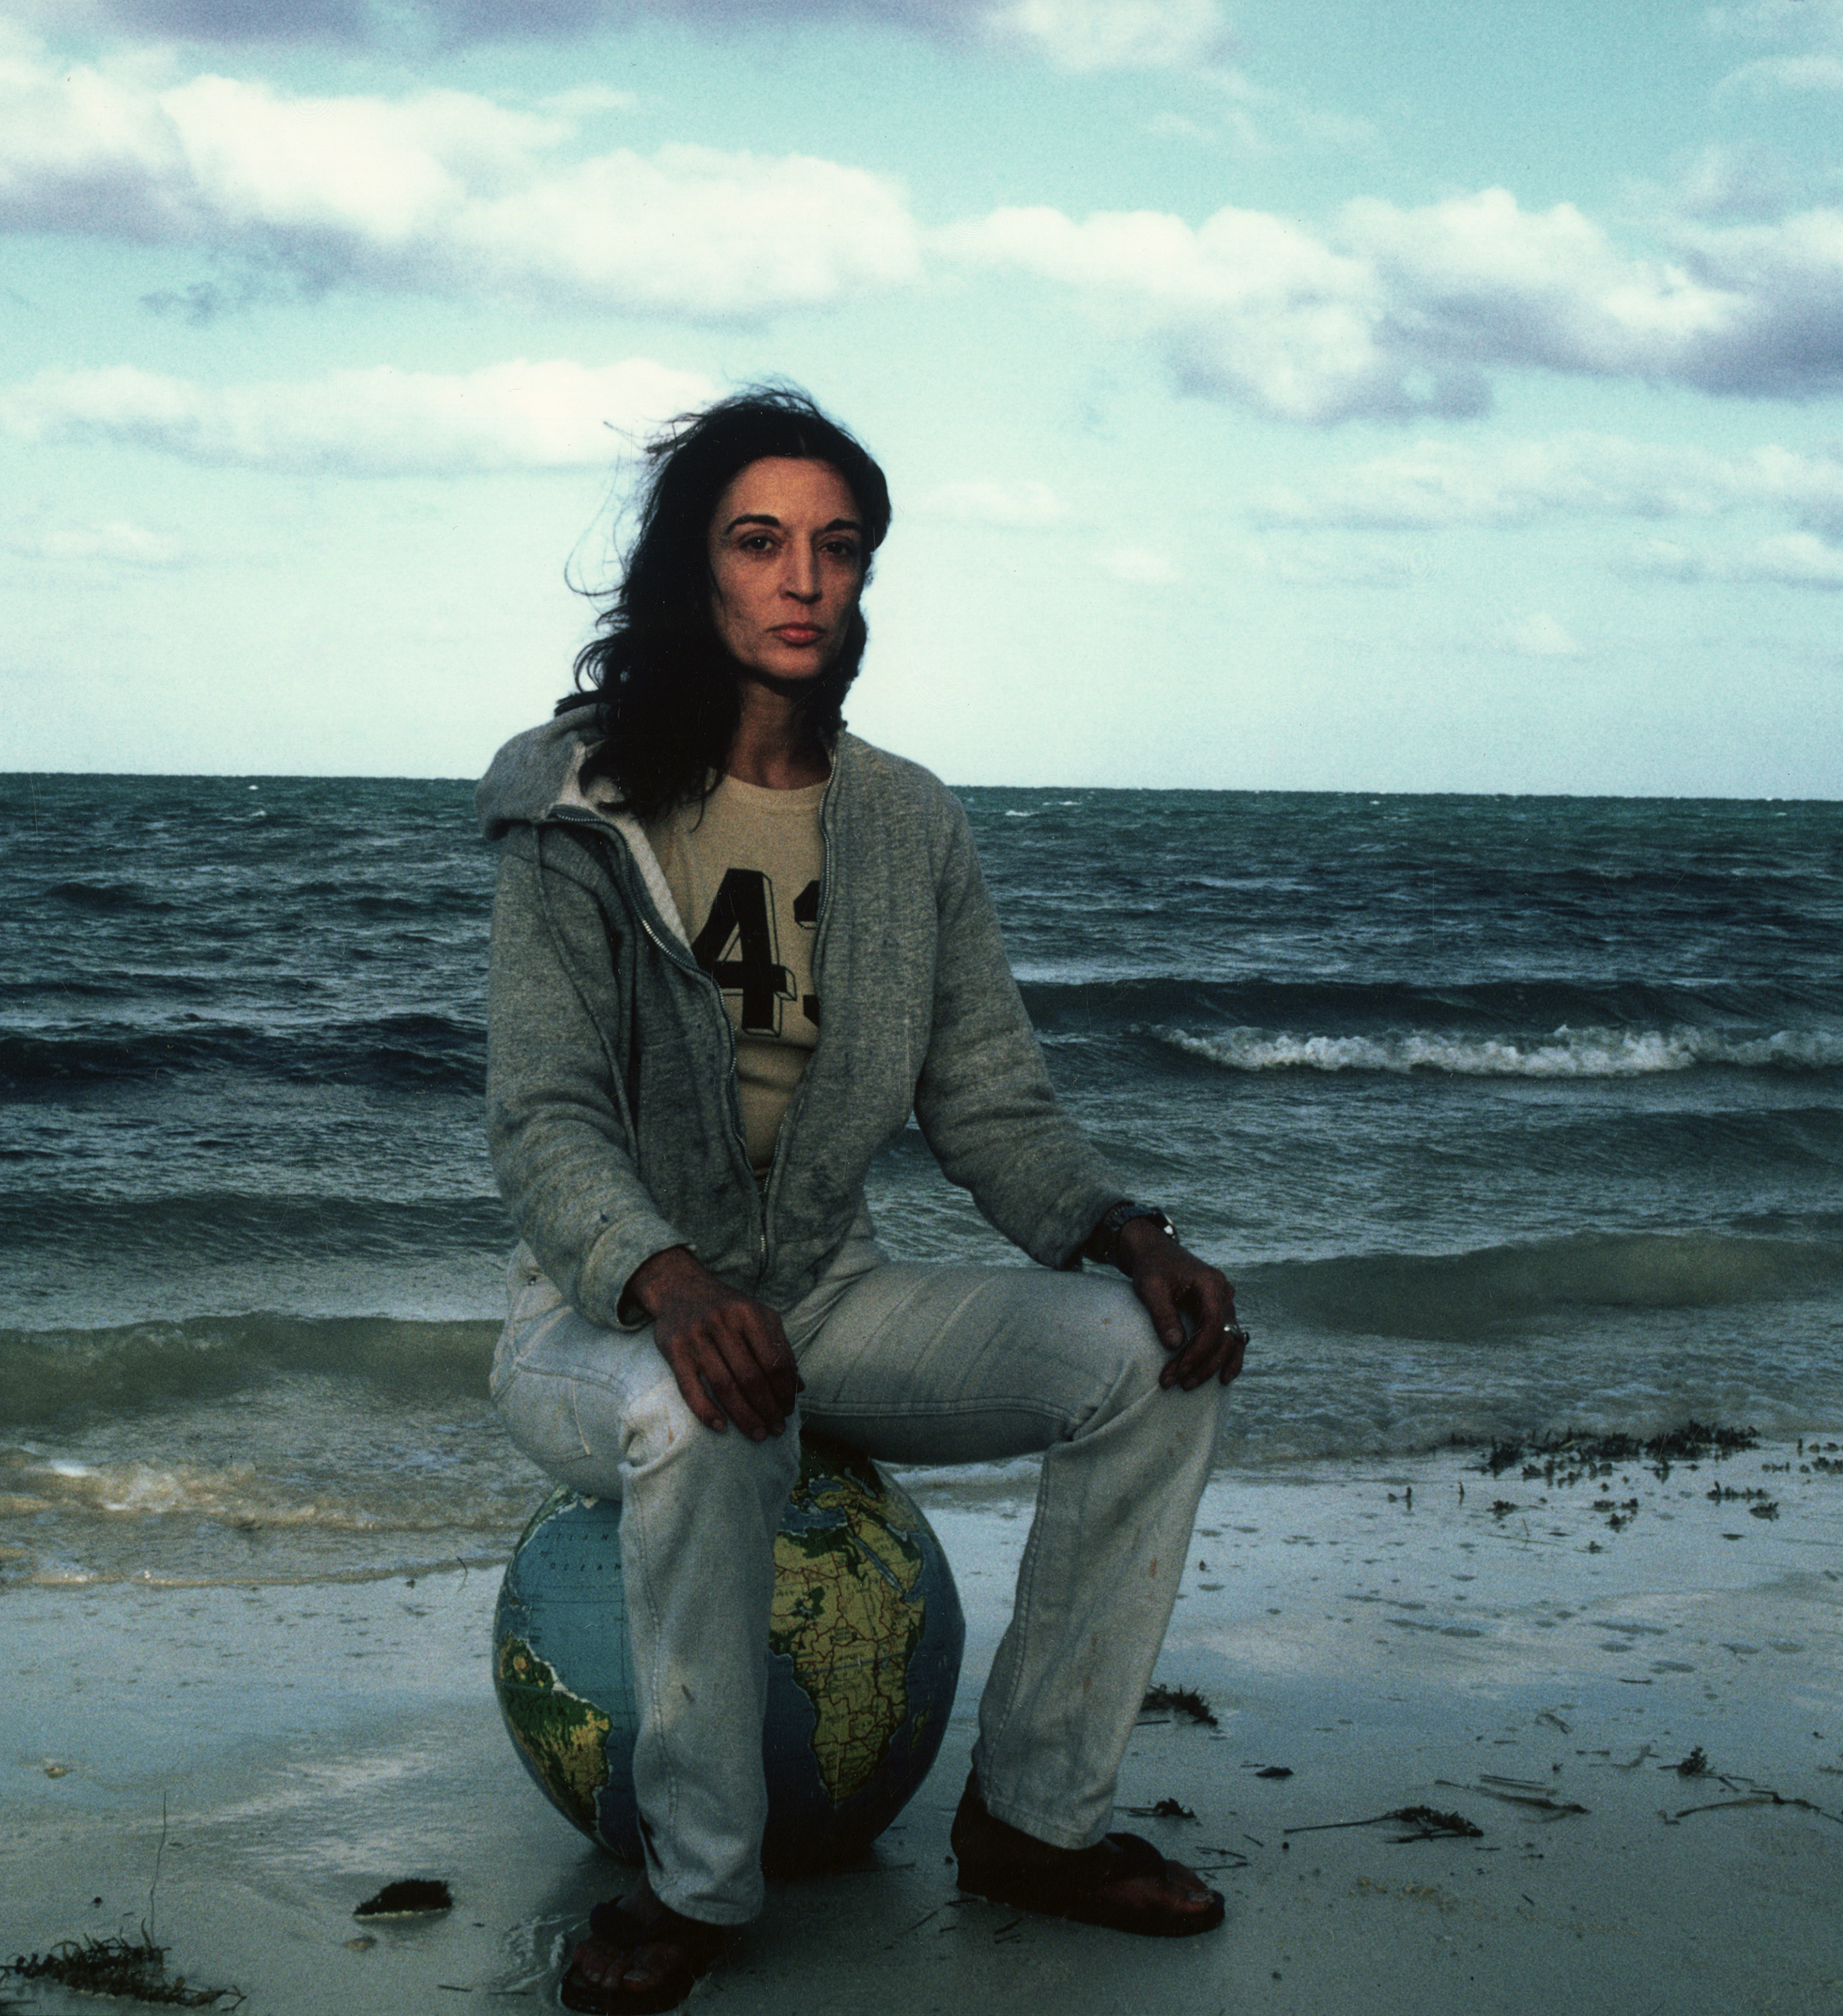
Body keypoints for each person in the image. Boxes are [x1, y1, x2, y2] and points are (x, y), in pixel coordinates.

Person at [477, 388, 1247, 2015]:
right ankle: (697, 1891)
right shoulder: (572, 800)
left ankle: (1036, 1819)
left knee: (1149, 1360)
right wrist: (665, 1284)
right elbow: (543, 1117)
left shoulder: (908, 821)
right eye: (760, 542)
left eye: (838, 548)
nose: (803, 579)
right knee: (699, 1416)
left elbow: (987, 1095)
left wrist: (1126, 1229)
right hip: (600, 1319)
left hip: (829, 1294)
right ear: (697, 572)